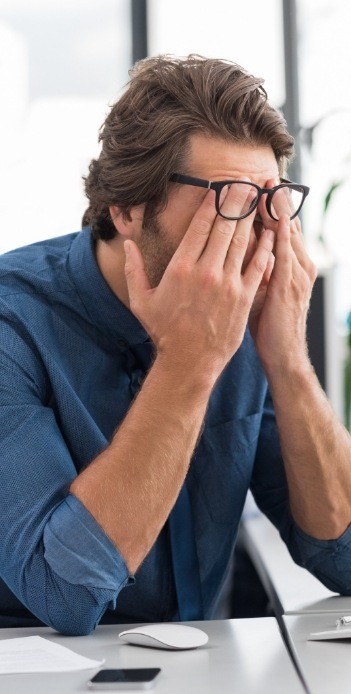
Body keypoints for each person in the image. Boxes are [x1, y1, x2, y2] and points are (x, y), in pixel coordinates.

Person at [1, 54, 351, 636]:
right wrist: (190, 360)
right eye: (229, 199)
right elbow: (62, 593)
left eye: (270, 202)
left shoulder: (249, 322)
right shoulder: (15, 323)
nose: (258, 231)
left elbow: (343, 556)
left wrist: (287, 358)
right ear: (127, 207)